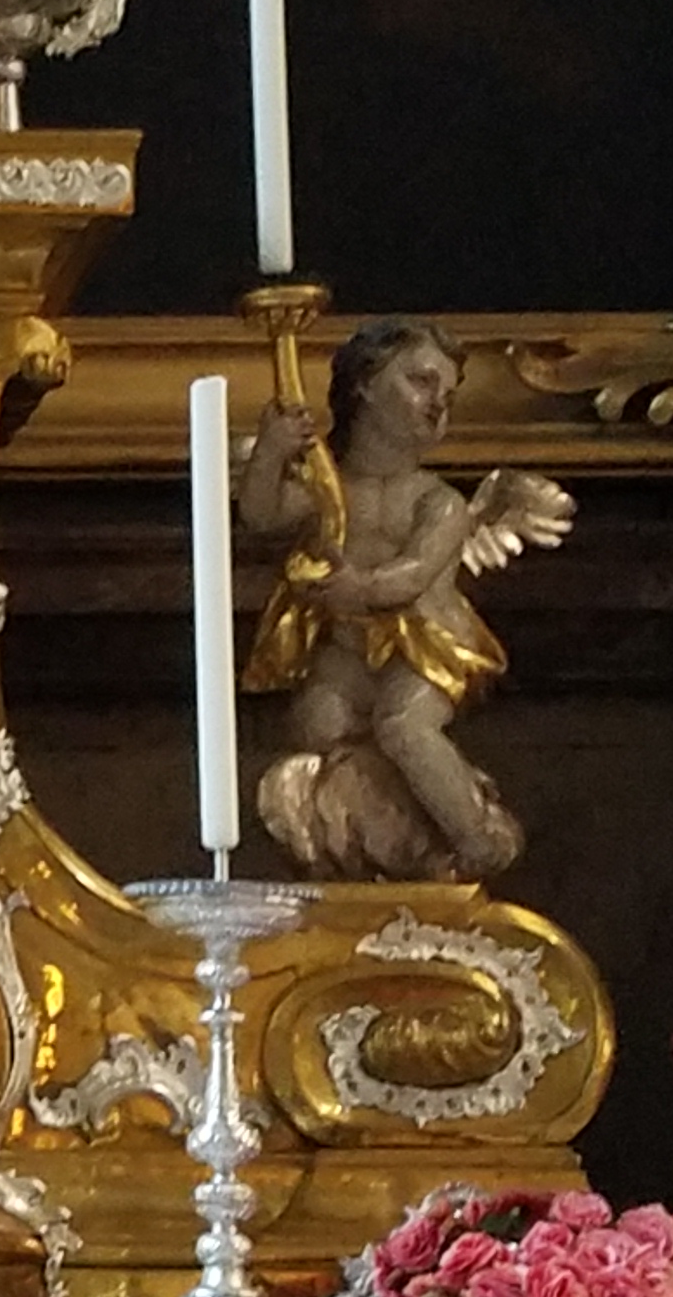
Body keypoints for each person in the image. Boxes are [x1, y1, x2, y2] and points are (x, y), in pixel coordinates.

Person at [236, 319, 574, 881]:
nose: (438, 403)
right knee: (316, 729)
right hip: (347, 648)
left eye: (449, 394)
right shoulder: (328, 489)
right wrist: (272, 449)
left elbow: (413, 574)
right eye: (421, 381)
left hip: (426, 647)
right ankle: (376, 844)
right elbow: (261, 514)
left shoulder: (438, 502)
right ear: (365, 385)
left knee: (402, 726)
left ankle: (476, 838)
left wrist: (360, 586)